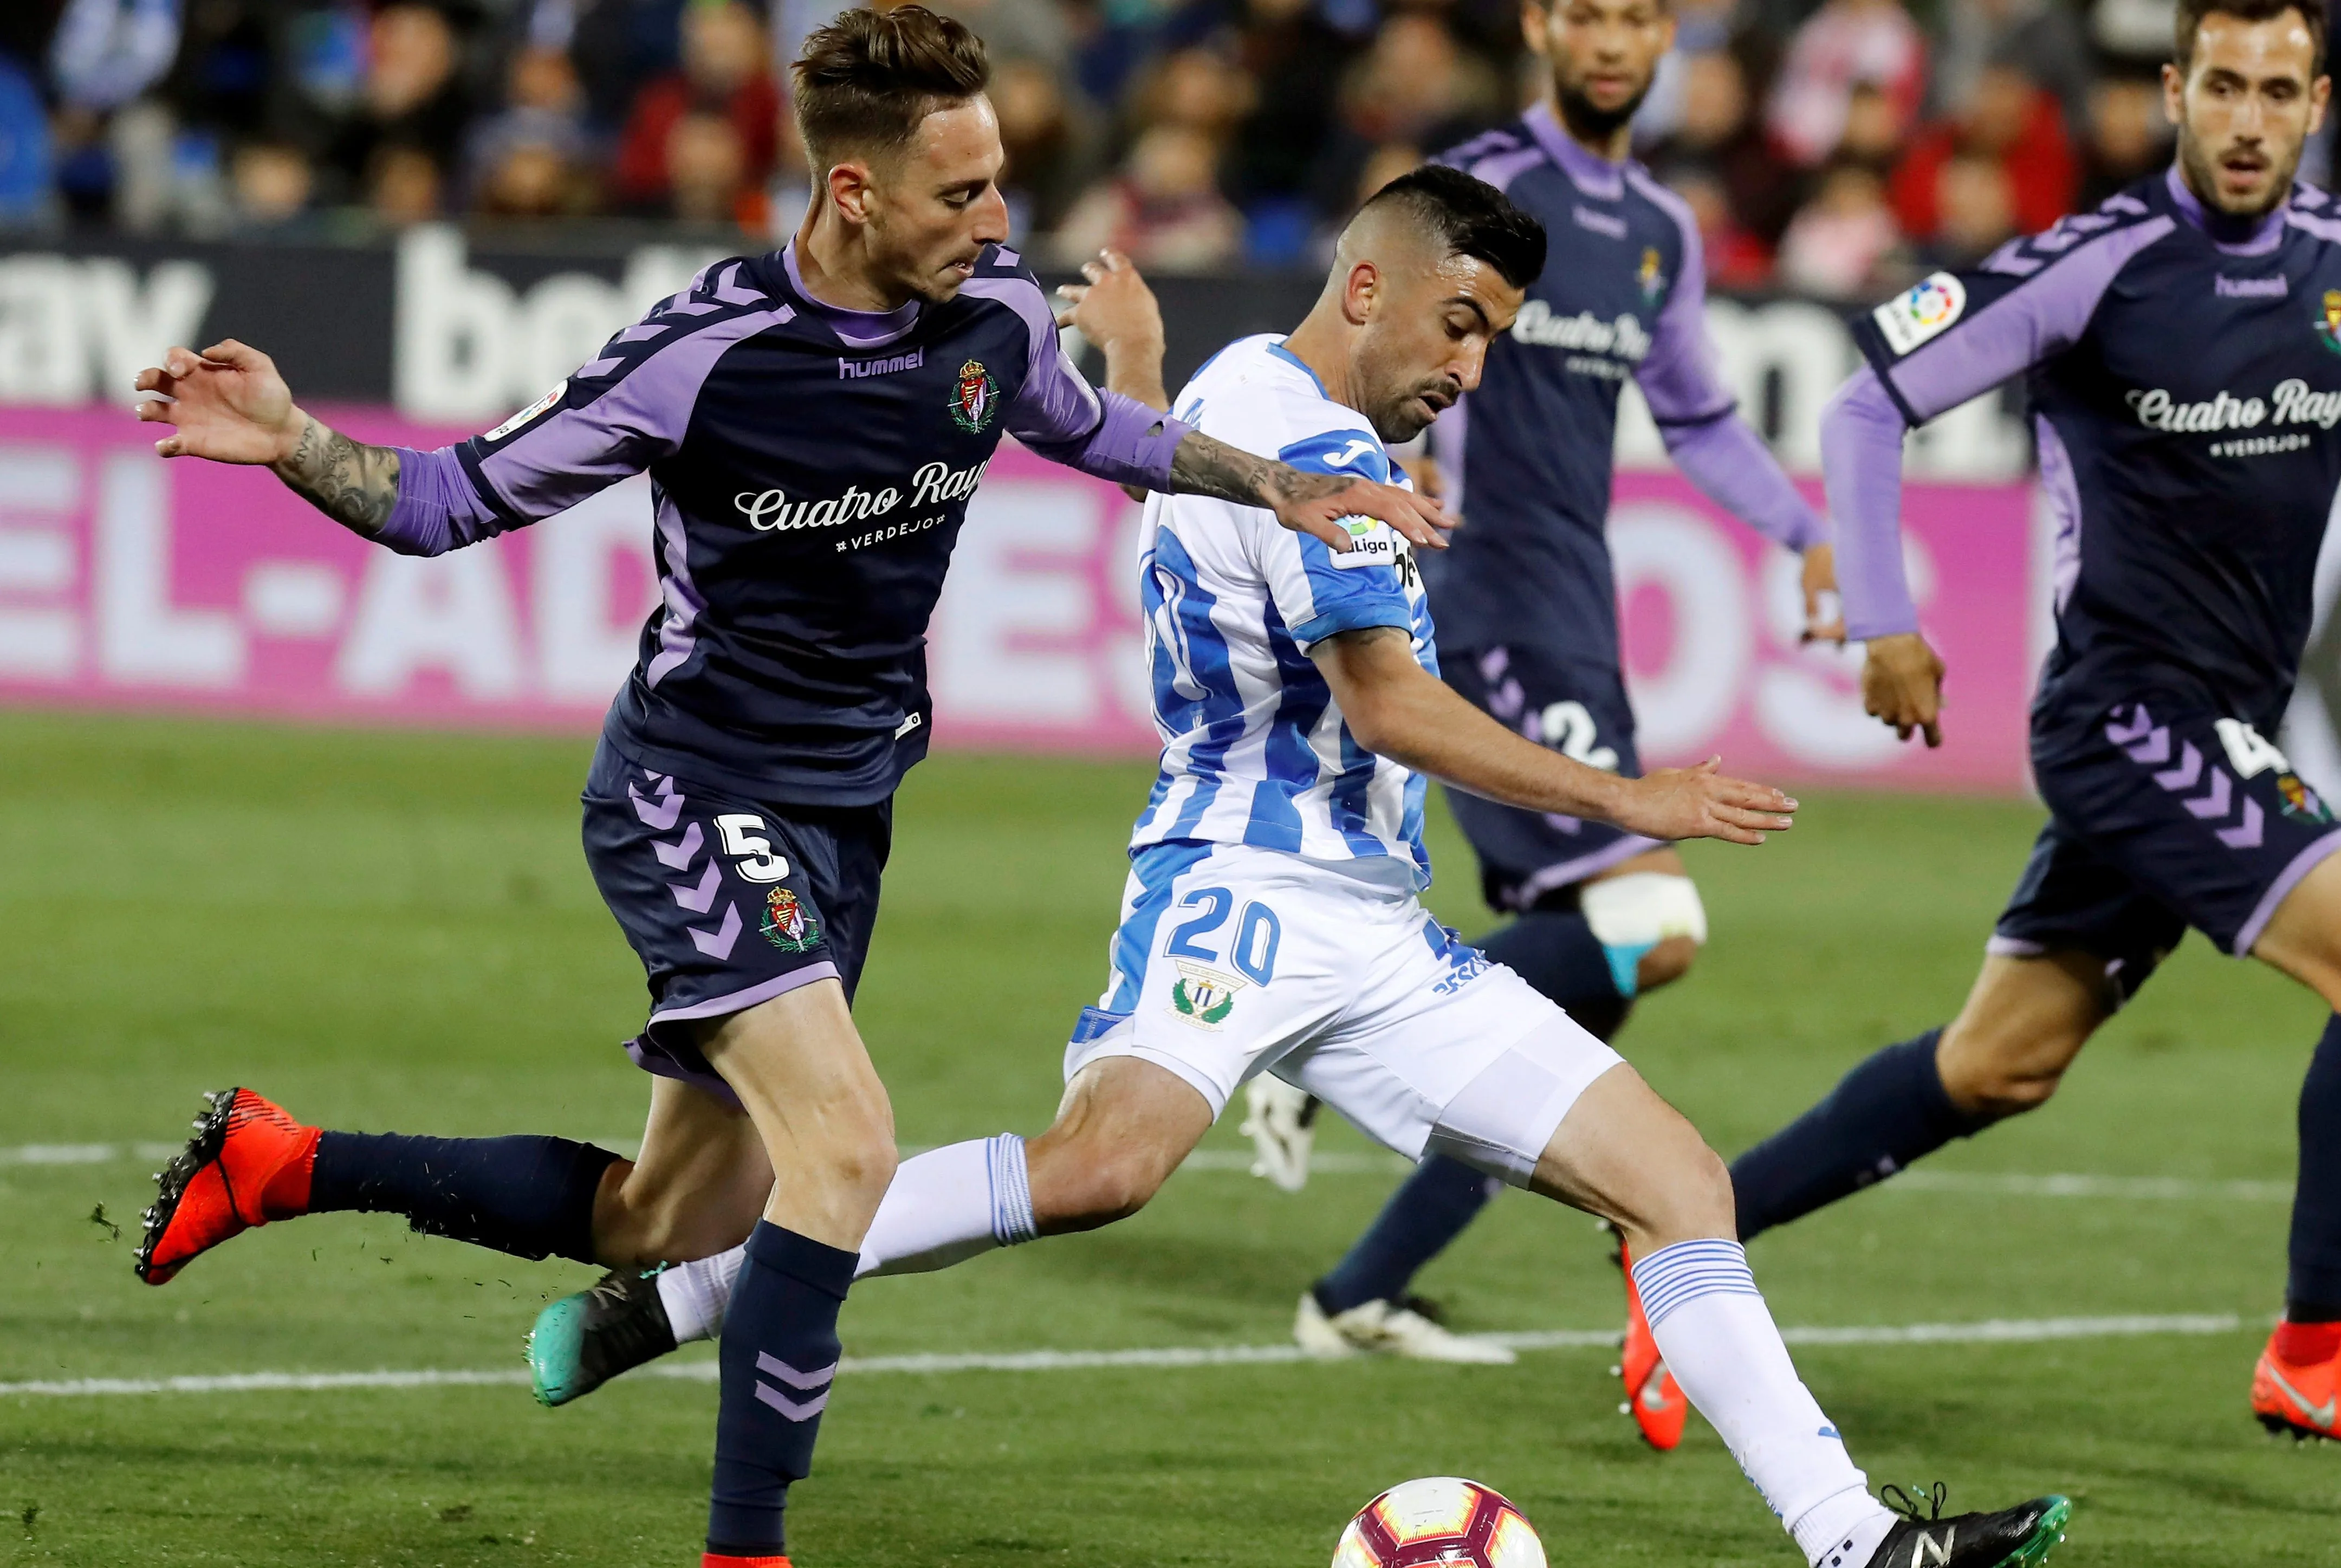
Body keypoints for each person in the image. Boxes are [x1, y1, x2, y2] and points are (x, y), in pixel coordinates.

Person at [518, 163, 2079, 1568]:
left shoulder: (1242, 390)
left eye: (1492, 344)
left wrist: (1131, 364)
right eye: (1457, 326)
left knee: (1681, 1183)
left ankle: (1859, 1540)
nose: (1468, 369)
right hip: (1239, 888)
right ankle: (700, 1290)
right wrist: (1636, 800)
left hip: (1379, 926)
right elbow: (1388, 704)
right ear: (1368, 286)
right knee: (1100, 1171)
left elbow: (1164, 497)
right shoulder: (1306, 441)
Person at [122, 11, 1448, 1568]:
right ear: (852, 194)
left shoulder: (996, 314)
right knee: (848, 1151)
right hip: (694, 787)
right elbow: (447, 501)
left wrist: (1284, 484)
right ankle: (747, 1546)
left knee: (667, 1221)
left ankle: (281, 1161)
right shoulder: (705, 350)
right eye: (961, 195)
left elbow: (1098, 429)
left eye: (1001, 183)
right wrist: (289, 438)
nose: (1000, 221)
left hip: (846, 809)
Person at [1626, 0, 2341, 1461]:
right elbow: (1865, 406)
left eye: (2280, 90)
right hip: (2127, 714)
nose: (2249, 118)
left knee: (1997, 1064)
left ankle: (1682, 1245)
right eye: (2223, 85)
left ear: (2318, 102)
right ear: (2175, 91)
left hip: (2220, 718)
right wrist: (1890, 618)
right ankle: (2315, 1349)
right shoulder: (2098, 266)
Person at [1241, 0, 1850, 1397]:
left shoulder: (1659, 228)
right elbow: (1348, 340)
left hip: (1574, 599)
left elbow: (1693, 413)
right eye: (1588, 11)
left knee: (1602, 976)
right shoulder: (1466, 195)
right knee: (1650, 915)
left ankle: (1361, 1285)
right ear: (1542, 24)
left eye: (1641, 14)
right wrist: (1365, 454)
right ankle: (1321, 1040)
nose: (1615, 38)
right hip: (1478, 587)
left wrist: (1800, 529)